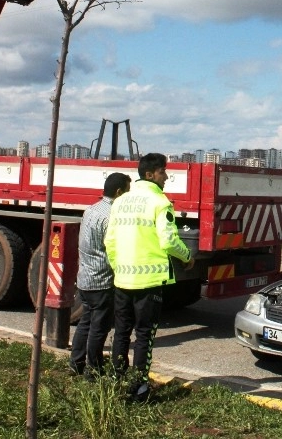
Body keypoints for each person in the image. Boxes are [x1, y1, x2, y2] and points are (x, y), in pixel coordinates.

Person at [104, 153, 194, 403]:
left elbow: (109, 241)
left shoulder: (120, 202)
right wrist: (187, 256)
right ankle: (139, 387)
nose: (166, 177)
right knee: (144, 335)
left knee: (121, 332)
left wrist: (118, 266)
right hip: (149, 281)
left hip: (122, 279)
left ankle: (116, 380)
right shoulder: (159, 201)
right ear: (150, 175)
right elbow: (168, 240)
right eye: (163, 172)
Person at [69, 171, 132, 378]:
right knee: (99, 328)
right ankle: (93, 369)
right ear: (118, 191)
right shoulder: (113, 215)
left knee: (85, 323)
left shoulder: (90, 210)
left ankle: (75, 363)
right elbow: (114, 247)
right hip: (102, 280)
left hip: (85, 278)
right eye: (127, 192)